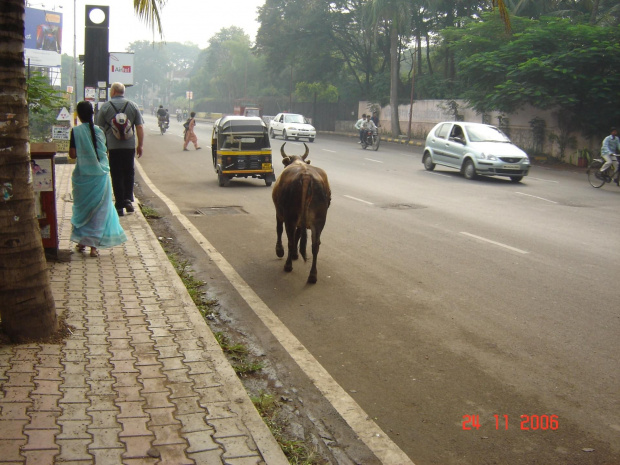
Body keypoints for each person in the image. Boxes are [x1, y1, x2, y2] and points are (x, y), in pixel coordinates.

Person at [69, 101, 127, 257]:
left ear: (79, 115)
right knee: (99, 212)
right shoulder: (100, 131)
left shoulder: (76, 132)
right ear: (92, 114)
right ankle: (92, 247)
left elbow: (73, 154)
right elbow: (103, 152)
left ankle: (84, 241)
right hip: (101, 177)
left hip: (83, 178)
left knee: (85, 210)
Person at [96, 82, 144, 216]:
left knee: (116, 174)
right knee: (129, 172)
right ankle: (128, 200)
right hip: (129, 146)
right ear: (123, 92)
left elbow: (99, 129)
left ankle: (119, 204)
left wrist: (101, 148)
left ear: (112, 92)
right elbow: (139, 127)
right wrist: (140, 145)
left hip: (113, 146)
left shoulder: (105, 107)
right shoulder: (133, 106)